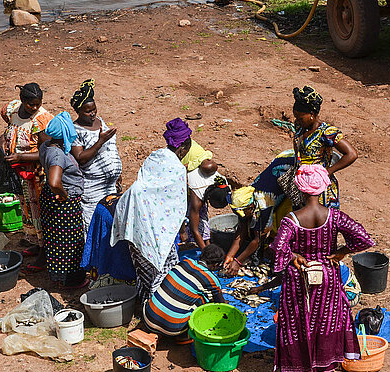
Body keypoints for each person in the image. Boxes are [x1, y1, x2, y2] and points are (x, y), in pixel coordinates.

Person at [272, 164, 374, 372]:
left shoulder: (291, 220)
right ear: (323, 189)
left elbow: (278, 247)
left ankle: (300, 366)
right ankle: (325, 366)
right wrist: (343, 251)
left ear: (299, 189)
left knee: (298, 321)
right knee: (326, 321)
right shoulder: (335, 216)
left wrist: (293, 257)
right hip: (327, 274)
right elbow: (364, 238)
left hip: (300, 277)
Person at [110, 148, 187, 304]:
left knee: (144, 273)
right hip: (154, 240)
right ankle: (159, 306)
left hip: (138, 240)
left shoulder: (136, 190)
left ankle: (147, 302)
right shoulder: (159, 190)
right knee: (162, 274)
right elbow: (175, 210)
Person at [0, 83, 54, 262]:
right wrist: (3, 141)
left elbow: (45, 151)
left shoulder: (41, 119)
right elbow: (9, 130)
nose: (35, 107)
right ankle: (35, 242)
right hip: (20, 173)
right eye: (31, 104)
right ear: (22, 101)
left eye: (38, 104)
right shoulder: (13, 110)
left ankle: (44, 251)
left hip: (37, 175)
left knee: (38, 211)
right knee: (28, 209)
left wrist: (21, 158)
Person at [223, 151, 295, 276]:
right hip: (278, 171)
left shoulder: (263, 205)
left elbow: (257, 239)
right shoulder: (247, 195)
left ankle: (280, 250)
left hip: (292, 167)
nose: (241, 215)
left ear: (251, 207)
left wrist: (238, 262)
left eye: (243, 212)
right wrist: (230, 256)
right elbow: (241, 230)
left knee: (282, 220)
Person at [38, 112, 87, 289]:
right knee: (70, 241)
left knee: (55, 238)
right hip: (62, 202)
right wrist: (64, 195)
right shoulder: (57, 154)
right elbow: (54, 181)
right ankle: (70, 280)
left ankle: (57, 276)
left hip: (50, 198)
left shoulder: (46, 145)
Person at [142, 243, 226, 344]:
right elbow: (221, 305)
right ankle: (183, 336)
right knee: (204, 299)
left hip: (148, 317)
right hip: (172, 328)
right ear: (216, 265)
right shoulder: (212, 280)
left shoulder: (185, 262)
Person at [69, 79, 123, 235]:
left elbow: (111, 149)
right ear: (78, 111)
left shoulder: (100, 122)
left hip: (110, 186)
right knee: (94, 225)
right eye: (87, 111)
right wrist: (100, 141)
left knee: (111, 223)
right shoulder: (75, 130)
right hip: (93, 188)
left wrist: (117, 173)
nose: (92, 113)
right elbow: (81, 157)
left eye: (94, 109)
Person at [291, 85, 357, 208]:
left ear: (311, 114)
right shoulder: (301, 128)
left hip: (321, 191)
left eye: (300, 118)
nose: (297, 121)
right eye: (296, 117)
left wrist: (327, 172)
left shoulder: (326, 132)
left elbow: (351, 154)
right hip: (302, 188)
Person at [163, 118, 225, 249]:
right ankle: (191, 243)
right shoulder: (197, 194)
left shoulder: (219, 182)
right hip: (182, 193)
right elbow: (194, 227)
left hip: (188, 189)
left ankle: (204, 243)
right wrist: (205, 252)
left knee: (202, 220)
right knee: (188, 221)